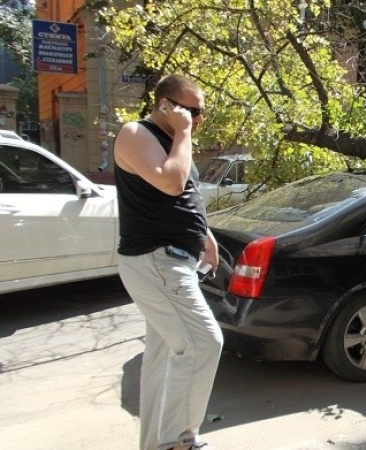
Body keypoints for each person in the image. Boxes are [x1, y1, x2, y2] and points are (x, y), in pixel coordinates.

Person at [113, 74, 223, 450]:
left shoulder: (174, 140)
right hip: (156, 260)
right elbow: (172, 183)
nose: (195, 119)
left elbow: (184, 195)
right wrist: (184, 132)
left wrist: (203, 234)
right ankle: (179, 442)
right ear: (165, 105)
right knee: (203, 344)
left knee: (162, 360)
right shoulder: (135, 133)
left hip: (173, 258)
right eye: (189, 110)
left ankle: (154, 445)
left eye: (200, 112)